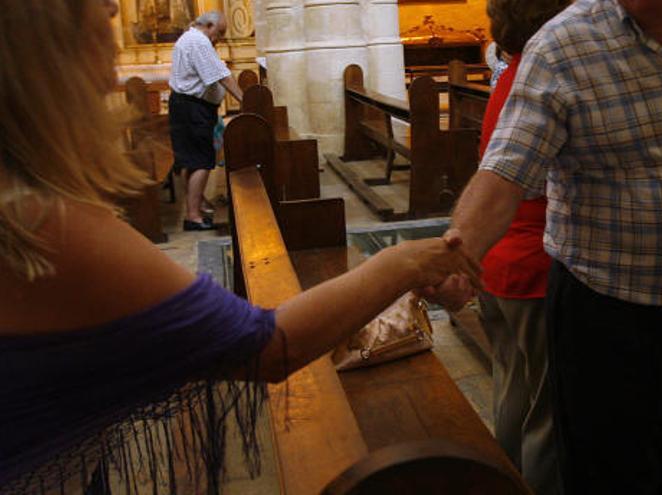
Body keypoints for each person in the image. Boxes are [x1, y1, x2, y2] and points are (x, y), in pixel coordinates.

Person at [0, 1, 481, 492]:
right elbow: (266, 347)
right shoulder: (38, 225)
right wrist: (406, 261)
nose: (110, 8)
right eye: (100, 12)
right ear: (48, 50)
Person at [426, 0, 662, 493]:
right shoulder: (566, 42)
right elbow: (505, 172)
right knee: (602, 477)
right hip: (604, 313)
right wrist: (455, 257)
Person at [470, 1, 570, 493]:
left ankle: (502, 480)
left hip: (497, 263)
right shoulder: (541, 78)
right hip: (533, 267)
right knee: (550, 413)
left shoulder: (509, 76)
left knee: (513, 391)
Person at [168, 11, 243, 231]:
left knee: (190, 159)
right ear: (208, 25)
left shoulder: (188, 38)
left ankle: (196, 206)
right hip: (193, 109)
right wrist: (245, 100)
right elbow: (221, 75)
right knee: (201, 160)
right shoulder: (198, 41)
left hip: (185, 106)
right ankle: (193, 216)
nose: (218, 38)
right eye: (218, 32)